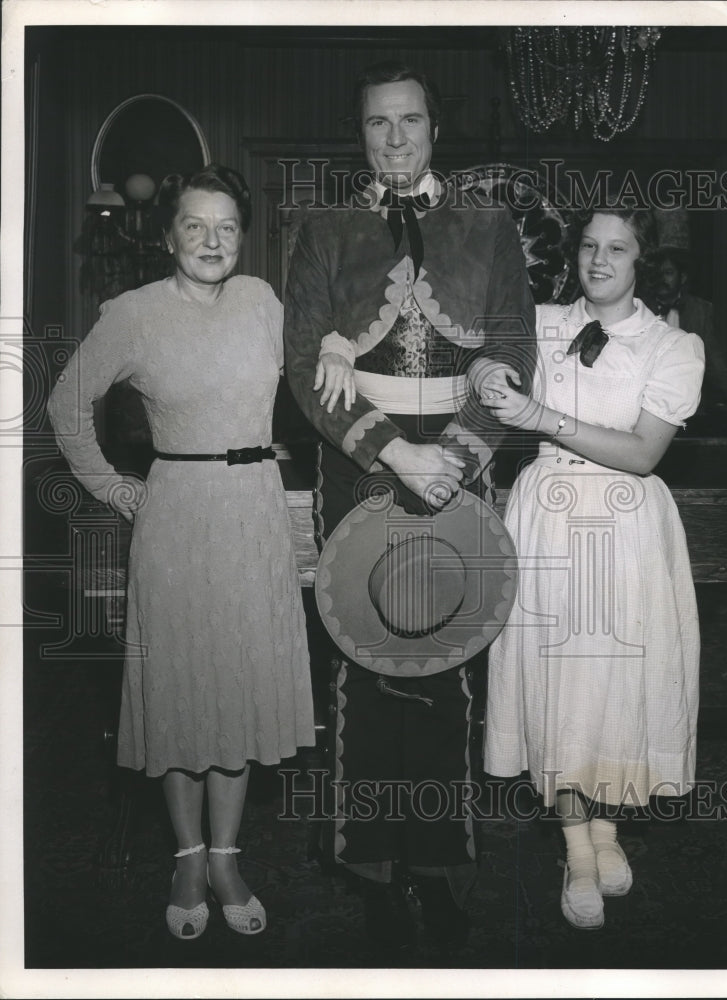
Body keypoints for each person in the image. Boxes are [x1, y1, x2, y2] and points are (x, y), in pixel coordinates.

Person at [283, 60, 535, 954]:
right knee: (367, 669)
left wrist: (457, 455)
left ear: (435, 130)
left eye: (409, 122)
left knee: (447, 670)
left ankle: (441, 869)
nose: (394, 138)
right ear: (361, 134)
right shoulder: (321, 230)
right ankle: (375, 872)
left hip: (459, 473)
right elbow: (302, 370)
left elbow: (510, 346)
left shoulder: (489, 226)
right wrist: (394, 452)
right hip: (362, 472)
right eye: (376, 124)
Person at [48, 164, 317, 941]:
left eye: (227, 226)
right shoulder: (132, 314)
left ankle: (229, 856)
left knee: (234, 692)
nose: (212, 240)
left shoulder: (263, 301)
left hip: (256, 511)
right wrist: (109, 484)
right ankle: (188, 856)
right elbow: (66, 403)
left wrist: (333, 348)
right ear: (168, 236)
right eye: (195, 225)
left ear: (243, 236)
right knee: (180, 694)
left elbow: (309, 365)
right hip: (176, 517)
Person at [481, 208, 705, 930]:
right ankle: (577, 851)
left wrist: (538, 415)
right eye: (588, 245)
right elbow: (484, 348)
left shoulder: (673, 346)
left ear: (641, 259)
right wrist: (487, 370)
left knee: (615, 682)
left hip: (626, 518)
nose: (599, 260)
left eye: (617, 248)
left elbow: (642, 453)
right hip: (547, 513)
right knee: (561, 683)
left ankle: (606, 832)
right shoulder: (539, 321)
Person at [654, 247, 727, 407]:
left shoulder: (700, 310)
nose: (662, 279)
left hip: (689, 402)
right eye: (658, 274)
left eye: (668, 273)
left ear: (682, 278)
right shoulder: (639, 307)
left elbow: (713, 358)